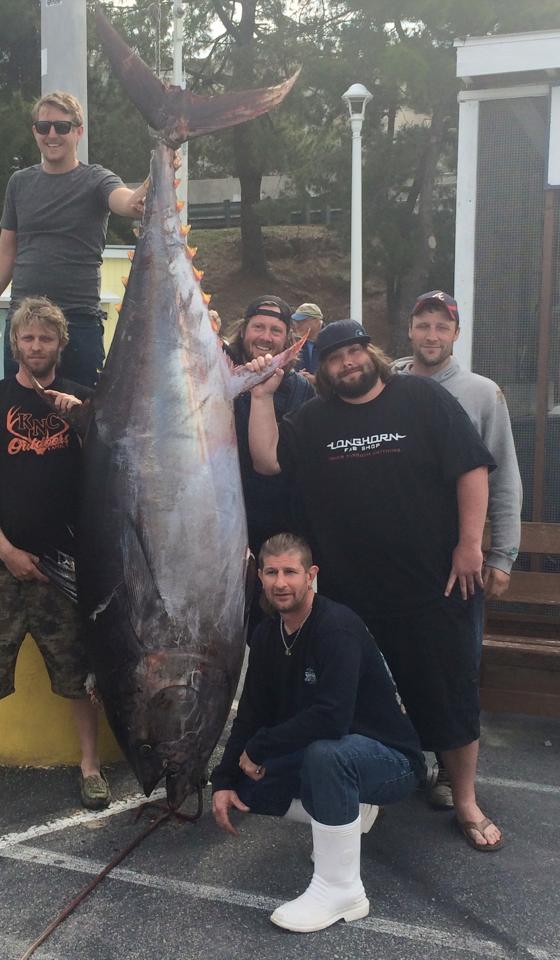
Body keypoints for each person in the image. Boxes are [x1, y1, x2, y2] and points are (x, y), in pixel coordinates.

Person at [246, 319, 504, 852]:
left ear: (372, 353)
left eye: (355, 352)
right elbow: (266, 460)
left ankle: (465, 799)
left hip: (433, 585)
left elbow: (472, 469)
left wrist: (471, 545)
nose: (347, 364)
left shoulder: (422, 398)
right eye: (335, 358)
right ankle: (357, 789)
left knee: (449, 691)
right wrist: (264, 395)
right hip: (348, 599)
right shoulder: (313, 418)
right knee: (347, 700)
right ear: (324, 369)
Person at [0, 297, 109, 816]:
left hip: (70, 564)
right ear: (15, 343)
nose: (37, 346)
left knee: (80, 671)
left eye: (47, 338)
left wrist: (84, 424)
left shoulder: (85, 401)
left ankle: (91, 767)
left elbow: (113, 478)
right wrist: (7, 550)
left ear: (62, 344)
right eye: (29, 338)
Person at [212, 533, 424, 933]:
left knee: (328, 756)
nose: (281, 582)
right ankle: (346, 809)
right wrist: (222, 778)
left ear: (311, 575)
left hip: (390, 759)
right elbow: (252, 713)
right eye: (271, 572)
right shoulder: (265, 635)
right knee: (247, 789)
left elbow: (332, 718)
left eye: (290, 572)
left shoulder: (337, 626)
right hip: (334, 752)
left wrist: (260, 747)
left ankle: (342, 890)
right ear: (259, 577)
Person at [394, 290, 523, 810]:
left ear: (456, 333)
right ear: (410, 329)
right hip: (397, 561)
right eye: (423, 325)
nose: (431, 336)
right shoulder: (386, 387)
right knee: (397, 667)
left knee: (455, 671)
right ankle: (408, 759)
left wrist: (502, 555)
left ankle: (453, 773)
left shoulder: (482, 393)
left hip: (459, 564)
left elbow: (506, 478)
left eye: (441, 327)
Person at [0, 90, 147, 388]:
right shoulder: (19, 182)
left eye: (62, 127)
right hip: (23, 322)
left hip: (78, 322)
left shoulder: (96, 179)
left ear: (79, 131)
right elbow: (6, 251)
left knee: (84, 416)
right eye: (44, 127)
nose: (52, 134)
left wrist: (160, 168)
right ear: (35, 132)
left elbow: (128, 203)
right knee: (20, 414)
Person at [226, 296, 315, 558]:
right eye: (258, 327)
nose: (266, 337)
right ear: (243, 330)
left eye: (276, 330)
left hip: (279, 531)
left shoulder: (301, 390)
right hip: (219, 518)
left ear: (287, 338)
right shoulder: (214, 380)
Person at [291, 302, 324, 382]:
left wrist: (317, 380)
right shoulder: (295, 344)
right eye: (296, 321)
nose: (297, 325)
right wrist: (296, 376)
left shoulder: (332, 342)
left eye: (302, 321)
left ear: (316, 321)